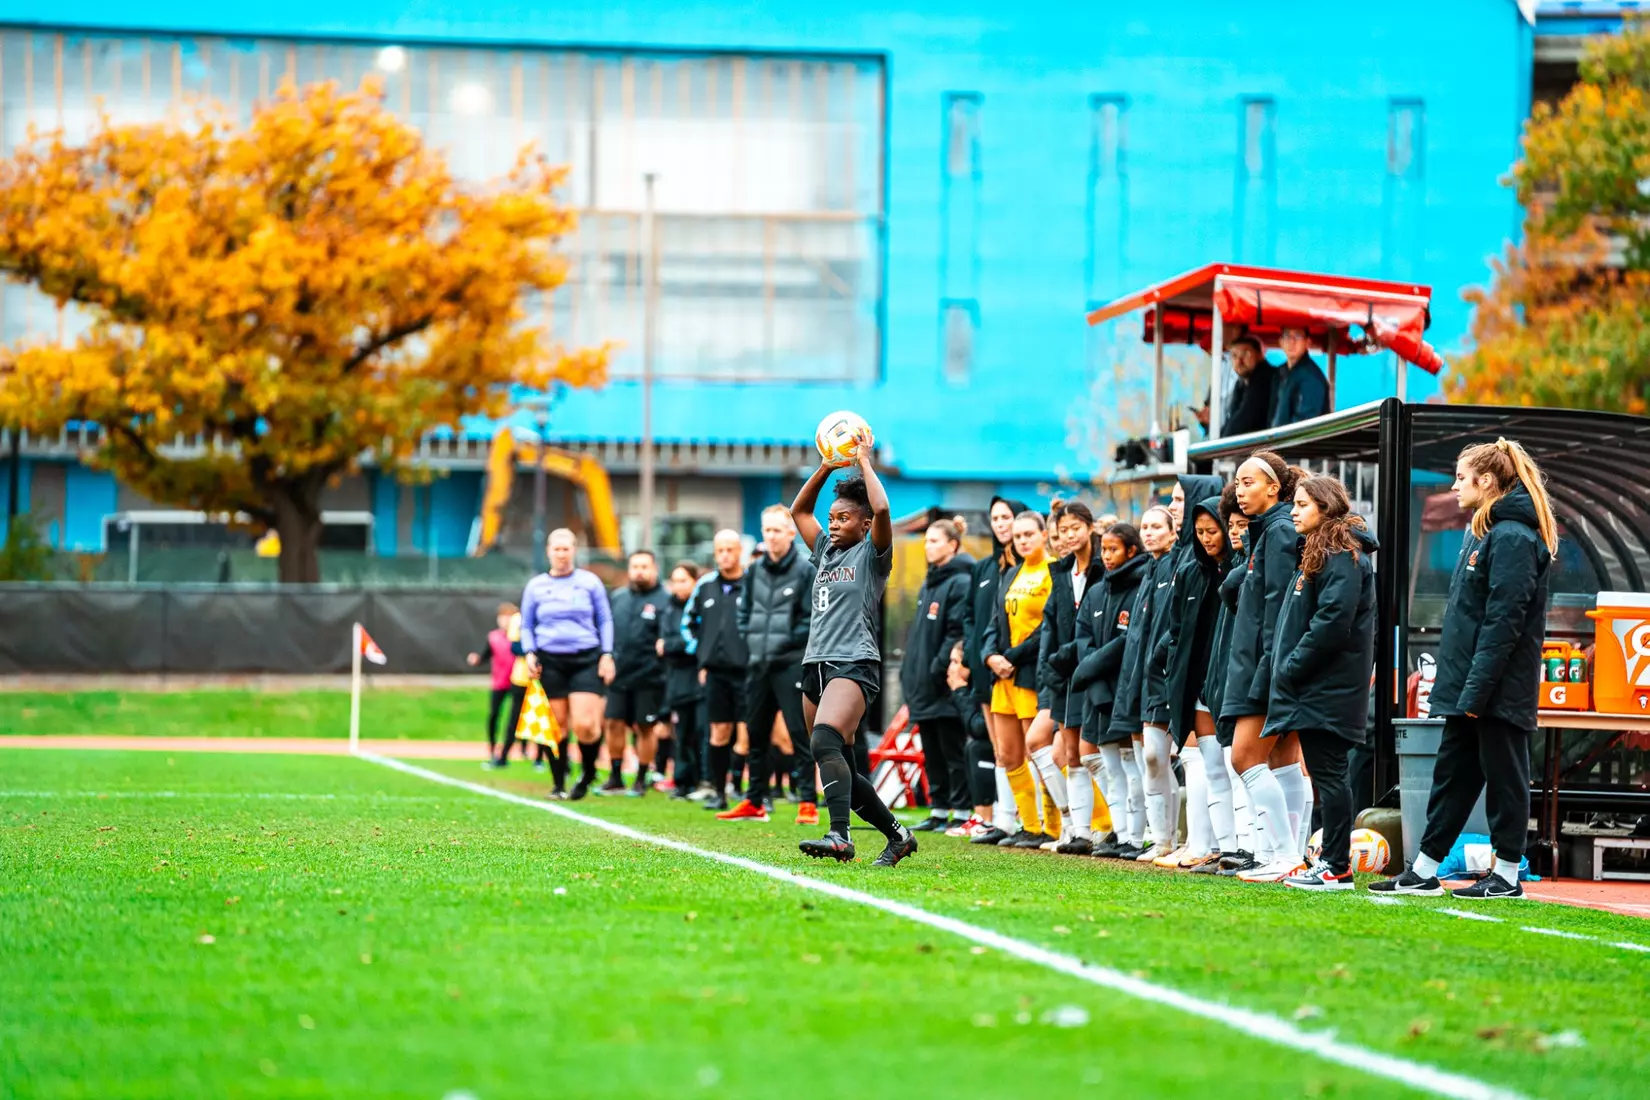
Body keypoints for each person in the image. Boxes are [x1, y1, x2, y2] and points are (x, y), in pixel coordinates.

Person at [1373, 439, 1556, 900]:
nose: (1454, 486)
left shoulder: (1513, 535)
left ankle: (1508, 875)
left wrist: (1476, 692)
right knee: (1452, 779)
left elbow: (1503, 623)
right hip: (1468, 687)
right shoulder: (1484, 531)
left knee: (1505, 781)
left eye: (1461, 477)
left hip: (1496, 690)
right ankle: (1425, 870)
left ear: (1487, 482)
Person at [790, 429, 917, 867]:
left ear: (863, 526)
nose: (833, 522)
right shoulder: (824, 550)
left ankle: (840, 836)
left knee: (825, 739)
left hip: (853, 662)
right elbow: (798, 510)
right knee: (836, 760)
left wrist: (863, 460)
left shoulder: (872, 555)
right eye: (833, 516)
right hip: (816, 664)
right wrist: (827, 464)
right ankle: (899, 836)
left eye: (844, 518)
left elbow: (881, 507)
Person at [1264, 475, 1380, 891]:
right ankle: (1329, 860)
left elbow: (1332, 621)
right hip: (1316, 686)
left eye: (1301, 504)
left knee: (1330, 774)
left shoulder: (1341, 554)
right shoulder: (1321, 551)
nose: (1293, 511)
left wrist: (1292, 666)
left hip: (1328, 687)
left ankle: (1337, 866)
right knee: (1324, 772)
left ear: (1325, 508)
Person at [1220, 454, 1315, 882]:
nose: (1240, 490)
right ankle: (1289, 855)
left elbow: (1279, 609)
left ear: (1274, 487)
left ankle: (1283, 853)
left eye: (1248, 481)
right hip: (1269, 665)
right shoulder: (1268, 531)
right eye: (1237, 483)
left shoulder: (1277, 530)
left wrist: (1270, 668)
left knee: (1244, 757)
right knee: (1282, 760)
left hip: (1267, 667)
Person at [1140, 475, 1223, 866]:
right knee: (1195, 758)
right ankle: (1196, 844)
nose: (1173, 506)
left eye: (1178, 499)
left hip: (1206, 674)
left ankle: (1211, 846)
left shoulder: (1200, 558)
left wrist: (1165, 658)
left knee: (1210, 759)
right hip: (1181, 672)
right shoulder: (1182, 557)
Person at [722, 506, 817, 824]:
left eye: (777, 530)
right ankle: (754, 800)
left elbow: (811, 619)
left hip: (790, 664)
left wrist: (783, 643)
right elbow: (743, 613)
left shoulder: (806, 570)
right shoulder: (755, 571)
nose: (771, 536)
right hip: (758, 663)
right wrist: (752, 640)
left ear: (791, 533)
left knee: (797, 734)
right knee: (755, 734)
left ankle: (807, 801)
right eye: (767, 530)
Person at [519, 528, 616, 801]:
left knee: (586, 724)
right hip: (550, 660)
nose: (561, 554)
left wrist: (606, 654)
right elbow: (527, 624)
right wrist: (530, 653)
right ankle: (559, 783)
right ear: (549, 551)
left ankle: (587, 772)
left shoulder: (589, 583)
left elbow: (605, 619)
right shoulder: (536, 586)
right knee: (557, 726)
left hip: (585, 657)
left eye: (567, 548)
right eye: (557, 549)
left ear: (574, 550)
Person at [1071, 522, 1148, 858]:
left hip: (1126, 686)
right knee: (1110, 767)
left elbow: (1126, 641)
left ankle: (1137, 835)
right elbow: (1083, 637)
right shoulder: (1097, 590)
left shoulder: (1141, 583)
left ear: (1132, 550)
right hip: (1098, 690)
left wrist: (1090, 669)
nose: (1107, 556)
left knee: (1134, 766)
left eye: (1114, 549)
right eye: (1104, 549)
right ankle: (1119, 832)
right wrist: (1093, 676)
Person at [983, 511, 1058, 849]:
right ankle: (1027, 825)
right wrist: (990, 656)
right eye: (1017, 536)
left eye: (1029, 534)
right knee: (1009, 754)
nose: (1023, 540)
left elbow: (1049, 628)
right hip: (1002, 678)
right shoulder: (1011, 573)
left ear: (1044, 534)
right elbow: (994, 621)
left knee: (1038, 750)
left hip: (1029, 672)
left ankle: (1054, 826)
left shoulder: (1053, 571)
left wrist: (1011, 657)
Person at [1037, 501, 1108, 854]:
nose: (1068, 536)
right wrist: (1052, 664)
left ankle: (1113, 828)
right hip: (1065, 673)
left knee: (1093, 751)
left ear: (1090, 527)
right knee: (1070, 753)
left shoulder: (1102, 567)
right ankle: (1080, 831)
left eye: (1075, 528)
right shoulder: (1062, 572)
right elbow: (1051, 623)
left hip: (1094, 667)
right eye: (1063, 531)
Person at [1111, 505, 1178, 861]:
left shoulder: (1176, 564)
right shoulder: (1148, 571)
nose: (1149, 532)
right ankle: (1162, 839)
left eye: (1156, 526)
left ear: (1172, 531)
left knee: (1158, 756)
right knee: (1147, 759)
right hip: (1137, 679)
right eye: (1145, 527)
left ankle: (1175, 838)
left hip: (1163, 677)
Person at [961, 496, 1029, 845]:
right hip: (987, 668)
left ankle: (1031, 819)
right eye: (996, 518)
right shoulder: (984, 568)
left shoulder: (1033, 566)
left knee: (1030, 746)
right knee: (1000, 748)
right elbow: (973, 616)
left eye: (1007, 517)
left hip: (1022, 668)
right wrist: (976, 658)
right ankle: (1004, 820)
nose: (1002, 524)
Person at [1197, 486, 1256, 875]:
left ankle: (1263, 850)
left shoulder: (1262, 557)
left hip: (1254, 679)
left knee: (1254, 765)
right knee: (1226, 764)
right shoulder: (1234, 563)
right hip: (1224, 678)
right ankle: (1231, 847)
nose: (1234, 531)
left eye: (1239, 525)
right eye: (1230, 524)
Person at [903, 517, 975, 834]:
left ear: (952, 545)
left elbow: (955, 633)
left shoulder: (960, 582)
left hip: (944, 685)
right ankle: (939, 808)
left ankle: (961, 810)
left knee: (953, 749)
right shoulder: (929, 582)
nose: (927, 546)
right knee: (931, 751)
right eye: (926, 541)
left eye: (934, 540)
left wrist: (937, 669)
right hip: (922, 685)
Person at [681, 529, 750, 812]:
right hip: (715, 672)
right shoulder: (705, 585)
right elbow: (688, 622)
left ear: (739, 552)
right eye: (719, 550)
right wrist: (701, 652)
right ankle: (719, 792)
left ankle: (750, 791)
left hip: (747, 671)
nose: (724, 555)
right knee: (718, 733)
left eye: (729, 549)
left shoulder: (751, 584)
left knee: (748, 734)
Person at [603, 550, 668, 796]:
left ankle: (641, 777)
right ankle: (616, 776)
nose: (639, 571)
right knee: (613, 723)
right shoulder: (618, 597)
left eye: (644, 566)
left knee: (645, 727)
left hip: (650, 676)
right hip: (619, 674)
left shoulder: (665, 599)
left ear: (654, 569)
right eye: (635, 566)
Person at [659, 561, 707, 800]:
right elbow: (664, 644)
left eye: (683, 580)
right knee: (682, 733)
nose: (678, 586)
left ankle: (704, 780)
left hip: (699, 678)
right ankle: (682, 781)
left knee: (702, 731)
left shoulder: (702, 606)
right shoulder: (668, 609)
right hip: (677, 680)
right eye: (675, 581)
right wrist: (673, 646)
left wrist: (674, 645)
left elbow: (699, 642)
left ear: (694, 582)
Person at [468, 602, 527, 768]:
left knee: (519, 718)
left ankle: (524, 750)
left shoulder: (519, 635)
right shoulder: (493, 637)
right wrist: (477, 660)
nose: (505, 620)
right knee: (494, 714)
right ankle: (493, 748)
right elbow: (485, 656)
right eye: (502, 617)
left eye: (509, 617)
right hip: (500, 682)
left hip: (518, 680)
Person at [1268, 327, 1330, 429]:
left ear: (1307, 343)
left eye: (1298, 336)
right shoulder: (1281, 372)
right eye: (1287, 336)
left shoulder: (1311, 377)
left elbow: (1305, 424)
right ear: (1281, 342)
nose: (1292, 341)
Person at [1221, 335, 1278, 438]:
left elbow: (1245, 419)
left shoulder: (1265, 378)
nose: (1239, 361)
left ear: (1260, 355)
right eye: (1234, 356)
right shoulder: (1241, 383)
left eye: (1246, 354)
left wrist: (1219, 445)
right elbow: (1233, 417)